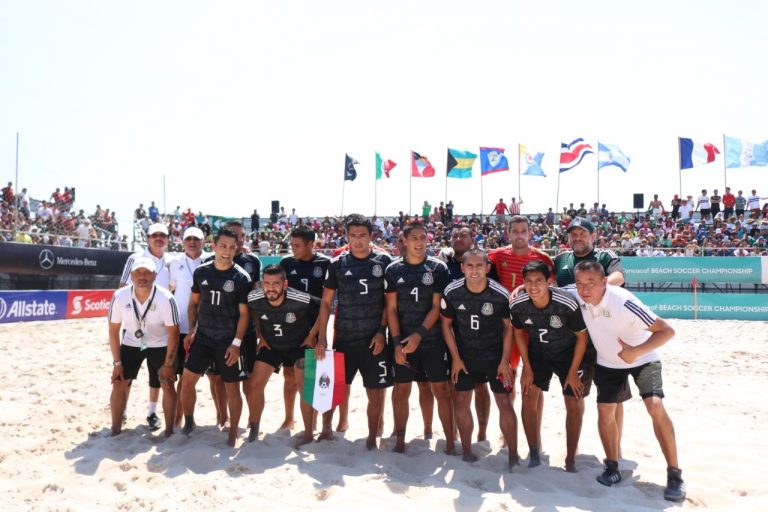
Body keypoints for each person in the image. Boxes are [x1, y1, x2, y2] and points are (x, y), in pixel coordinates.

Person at [573, 261, 685, 502]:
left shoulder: (623, 302)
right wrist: (520, 289)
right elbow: (550, 290)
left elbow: (667, 330)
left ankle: (675, 474)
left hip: (643, 357)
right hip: (608, 362)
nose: (584, 289)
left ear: (604, 282)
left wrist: (637, 351)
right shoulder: (578, 296)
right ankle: (612, 467)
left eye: (591, 283)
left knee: (654, 406)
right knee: (604, 411)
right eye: (579, 283)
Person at [315, 214, 393, 449]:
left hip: (374, 339)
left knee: (375, 391)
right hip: (344, 337)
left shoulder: (384, 261)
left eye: (363, 235)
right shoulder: (337, 264)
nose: (358, 240)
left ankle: (372, 437)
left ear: (371, 236)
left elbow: (390, 302)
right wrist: (322, 337)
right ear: (346, 236)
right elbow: (326, 303)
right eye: (353, 235)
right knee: (332, 388)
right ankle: (326, 430)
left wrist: (381, 331)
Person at [441, 249, 518, 469]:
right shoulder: (452, 291)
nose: (474, 270)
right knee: (461, 400)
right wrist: (456, 358)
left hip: (495, 357)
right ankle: (467, 452)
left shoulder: (500, 294)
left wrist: (504, 361)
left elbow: (509, 328)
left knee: (504, 402)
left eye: (479, 265)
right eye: (470, 266)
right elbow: (446, 325)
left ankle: (513, 456)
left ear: (487, 268)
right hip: (465, 357)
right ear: (462, 268)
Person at [510, 261, 589, 472]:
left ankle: (570, 459)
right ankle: (534, 451)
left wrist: (573, 372)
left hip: (568, 354)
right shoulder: (518, 305)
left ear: (549, 282)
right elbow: (518, 333)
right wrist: (527, 367)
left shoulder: (566, 302)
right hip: (539, 352)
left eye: (538, 281)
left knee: (573, 401)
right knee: (528, 395)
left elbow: (582, 337)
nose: (533, 286)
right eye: (528, 281)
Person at [385, 222, 454, 454]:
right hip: (403, 341)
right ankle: (400, 442)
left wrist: (419, 335)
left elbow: (437, 307)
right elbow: (391, 309)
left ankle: (450, 443)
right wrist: (397, 344)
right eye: (414, 237)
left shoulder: (437, 268)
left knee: (440, 390)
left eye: (423, 237)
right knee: (401, 391)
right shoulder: (393, 270)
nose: (419, 241)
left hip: (432, 340)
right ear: (404, 240)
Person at [180, 228, 252, 447]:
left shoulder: (241, 277)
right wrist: (191, 330)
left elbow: (244, 314)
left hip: (228, 342)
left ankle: (232, 432)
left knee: (232, 388)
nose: (227, 251)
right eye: (223, 246)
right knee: (187, 382)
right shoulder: (201, 272)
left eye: (232, 247)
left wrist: (236, 344)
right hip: (203, 338)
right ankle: (189, 422)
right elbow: (193, 304)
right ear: (214, 247)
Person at [488, 215, 555, 446]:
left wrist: (526, 290)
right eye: (515, 231)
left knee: (534, 384)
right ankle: (507, 433)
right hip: (507, 327)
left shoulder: (542, 258)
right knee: (509, 378)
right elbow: (474, 263)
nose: (519, 235)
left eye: (523, 231)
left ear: (530, 233)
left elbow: (552, 285)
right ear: (508, 233)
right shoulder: (497, 255)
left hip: (534, 327)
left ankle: (535, 434)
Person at [247, 265, 320, 444]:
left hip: (299, 345)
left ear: (285, 284)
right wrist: (261, 335)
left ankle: (308, 434)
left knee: (306, 386)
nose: (271, 288)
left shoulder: (300, 299)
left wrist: (313, 336)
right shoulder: (254, 298)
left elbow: (324, 309)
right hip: (272, 345)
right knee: (254, 384)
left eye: (276, 283)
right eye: (266, 283)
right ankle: (253, 430)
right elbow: (253, 313)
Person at [108, 257, 180, 437]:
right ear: (131, 276)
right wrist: (117, 364)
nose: (142, 276)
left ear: (155, 275)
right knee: (118, 382)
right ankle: (115, 430)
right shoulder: (119, 296)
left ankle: (169, 431)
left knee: (167, 383)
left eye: (147, 273)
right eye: (138, 273)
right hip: (132, 342)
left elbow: (174, 333)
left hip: (160, 343)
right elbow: (113, 331)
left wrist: (168, 364)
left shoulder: (166, 298)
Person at [119, 222, 172, 431]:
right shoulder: (135, 258)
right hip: (136, 328)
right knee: (127, 374)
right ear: (148, 238)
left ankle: (151, 412)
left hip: (160, 327)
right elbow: (122, 288)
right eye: (154, 235)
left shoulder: (172, 261)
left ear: (167, 239)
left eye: (163, 235)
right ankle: (122, 411)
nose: (158, 238)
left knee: (156, 374)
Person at [278, 225, 332, 431]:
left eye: (297, 245)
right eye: (292, 245)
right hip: (291, 327)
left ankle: (313, 421)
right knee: (289, 374)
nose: (293, 248)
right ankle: (288, 418)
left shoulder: (325, 264)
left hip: (316, 327)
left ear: (311, 244)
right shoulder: (286, 263)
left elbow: (327, 302)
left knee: (313, 376)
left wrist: (318, 333)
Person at [168, 227, 206, 427]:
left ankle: (221, 419)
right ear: (182, 242)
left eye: (196, 239)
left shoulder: (210, 260)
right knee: (180, 376)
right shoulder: (174, 263)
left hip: (206, 328)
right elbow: (170, 289)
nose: (192, 242)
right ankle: (178, 418)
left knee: (213, 380)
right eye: (188, 238)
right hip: (181, 327)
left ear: (203, 242)